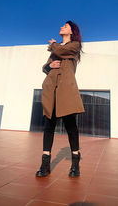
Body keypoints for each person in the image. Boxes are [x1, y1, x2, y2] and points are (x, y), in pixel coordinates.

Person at [35, 20, 85, 178]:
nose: (62, 27)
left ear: (71, 31)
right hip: (52, 90)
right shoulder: (55, 50)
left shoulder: (74, 45)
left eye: (65, 26)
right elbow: (45, 67)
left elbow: (62, 51)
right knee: (49, 126)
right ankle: (45, 164)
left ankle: (75, 163)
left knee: (71, 126)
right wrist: (51, 66)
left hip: (66, 91)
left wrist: (53, 45)